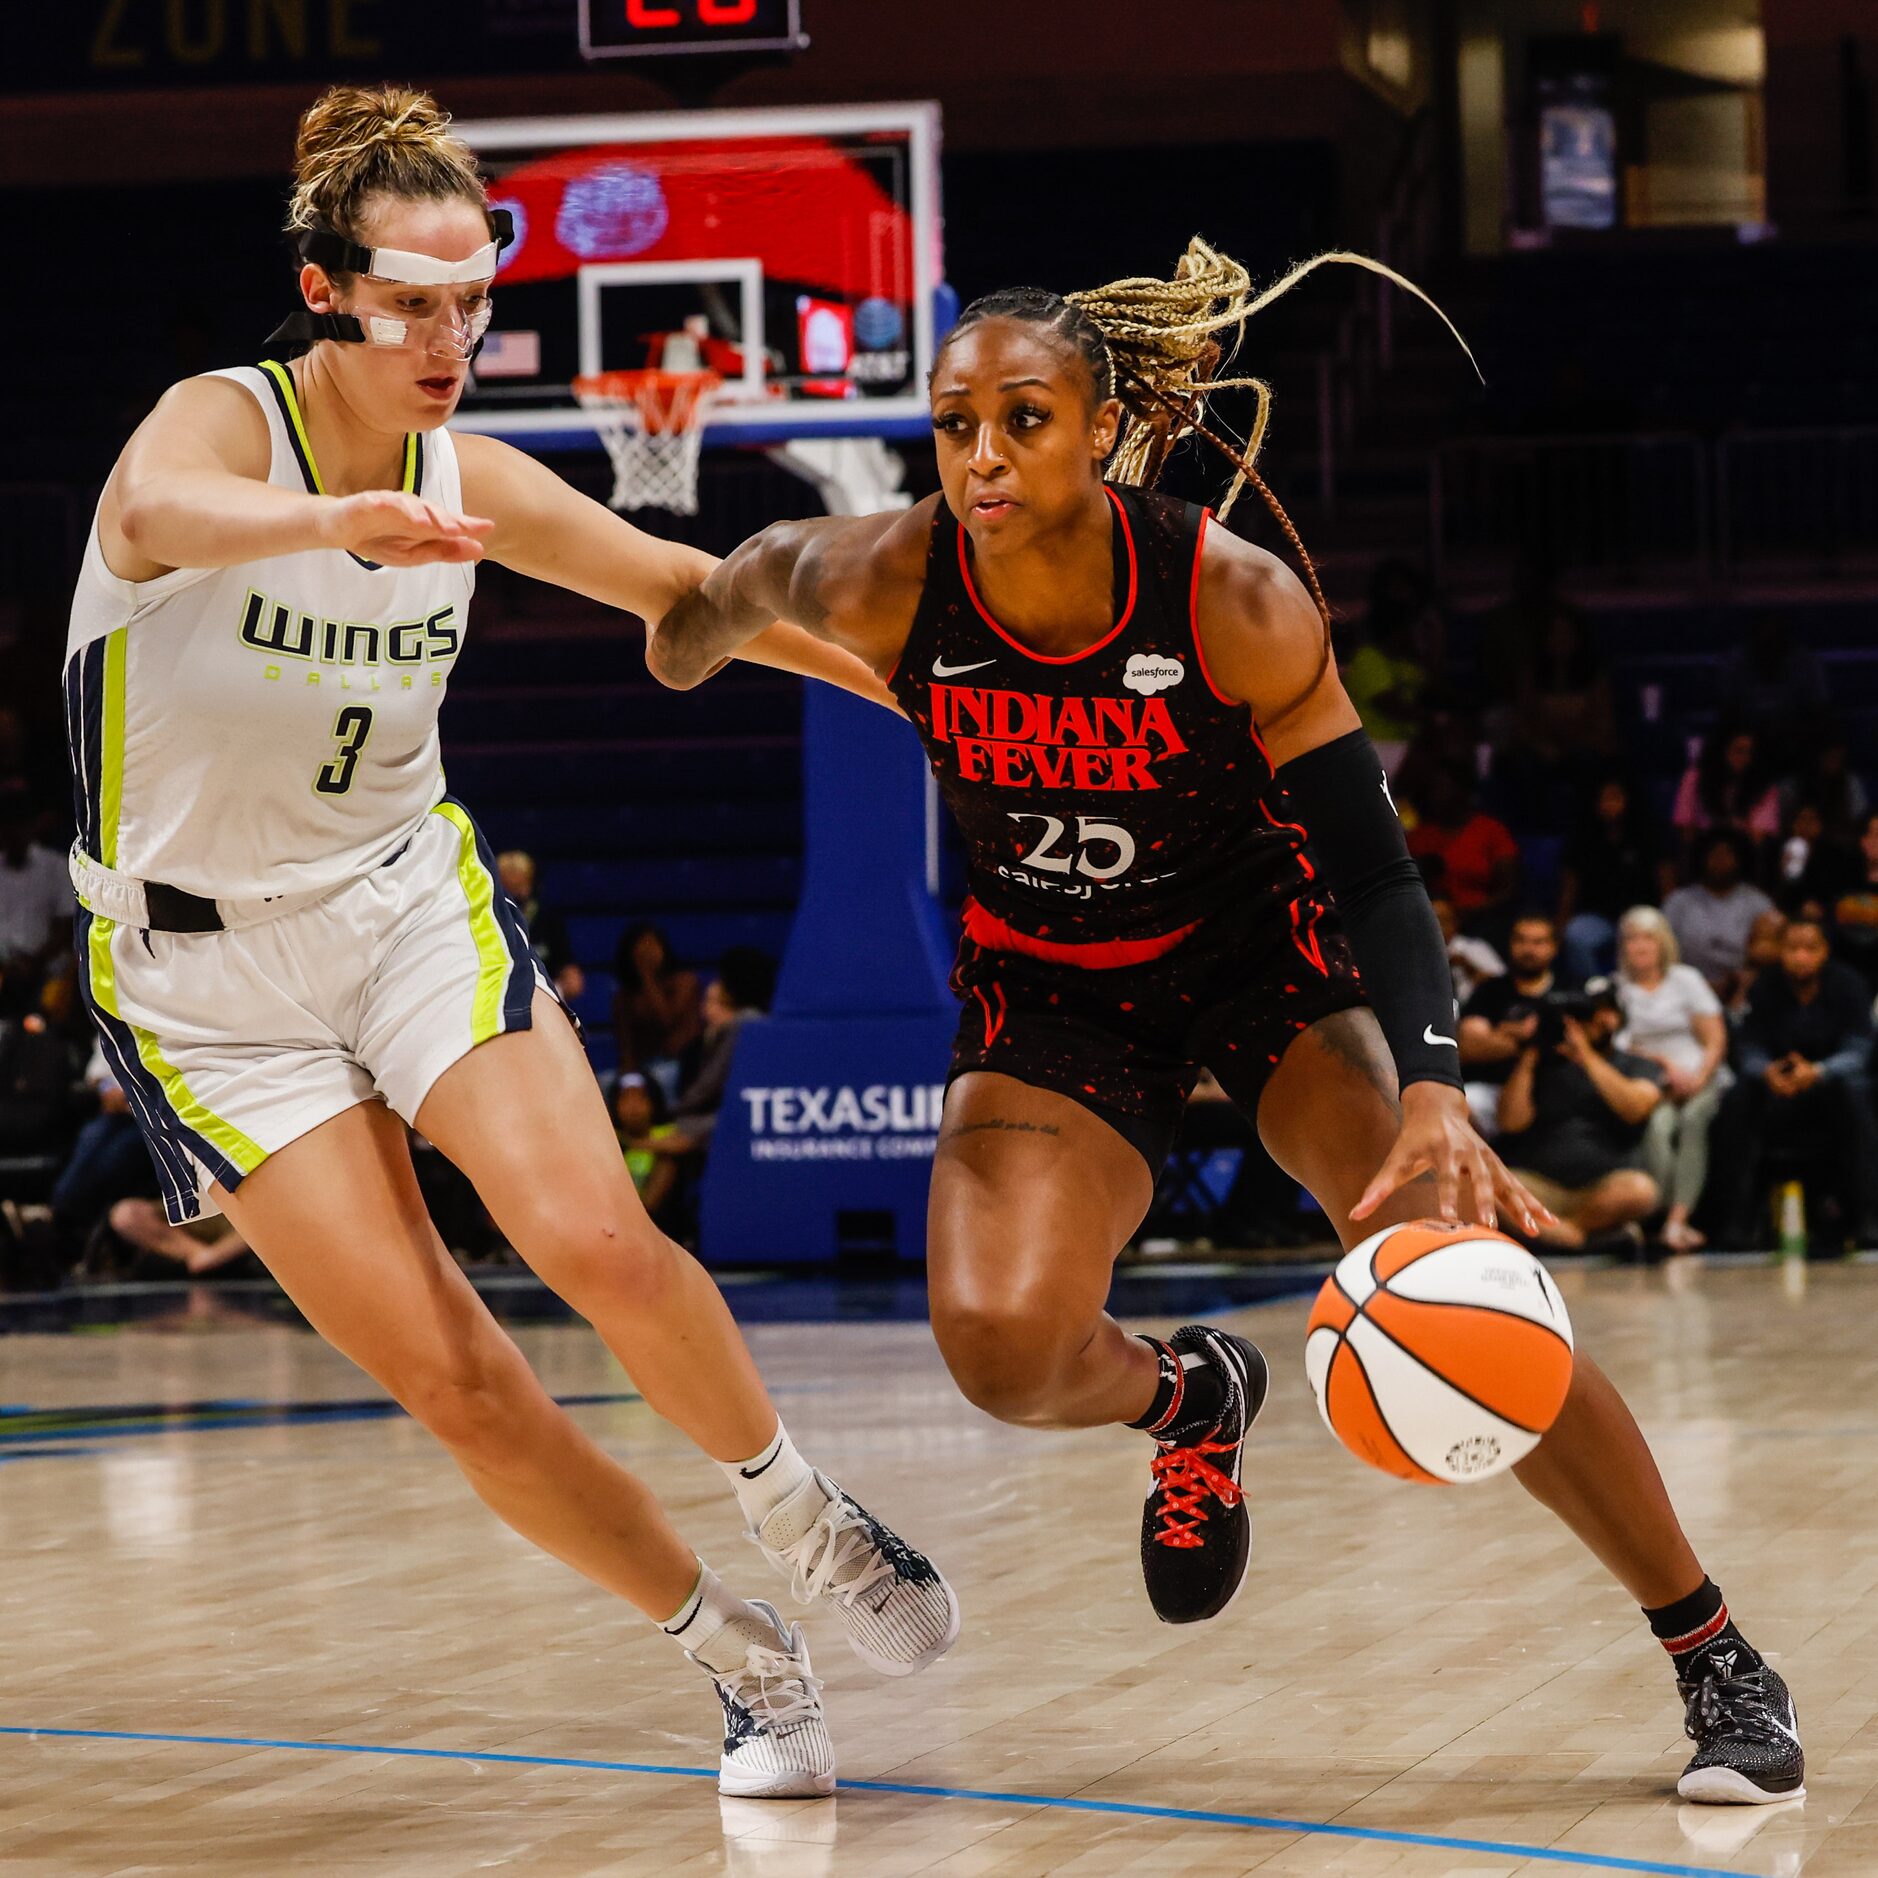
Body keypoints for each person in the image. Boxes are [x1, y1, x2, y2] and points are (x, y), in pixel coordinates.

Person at [644, 239, 1804, 1802]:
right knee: (996, 1347)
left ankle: (1711, 1647)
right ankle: (1189, 1395)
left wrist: (1436, 1089)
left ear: (1105, 422)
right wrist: (688, 625)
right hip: (1050, 982)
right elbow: (749, 573)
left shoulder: (1228, 595)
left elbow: (1383, 878)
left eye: (1023, 419)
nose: (982, 454)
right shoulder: (889, 574)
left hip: (1260, 958)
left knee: (1465, 1291)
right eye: (954, 423)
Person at [60, 83, 957, 1799]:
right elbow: (162, 516)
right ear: (327, 290)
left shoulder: (472, 474)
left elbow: (683, 593)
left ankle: (802, 1508)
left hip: (399, 900)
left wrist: (921, 696)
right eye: (411, 302)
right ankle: (737, 1653)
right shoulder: (216, 426)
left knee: (591, 1239)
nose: (449, 335)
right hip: (194, 983)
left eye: (473, 301)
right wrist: (336, 522)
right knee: (460, 1379)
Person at [1708, 918, 1878, 1252]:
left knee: (1855, 1092)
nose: (1801, 956)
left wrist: (1818, 1071)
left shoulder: (1848, 985)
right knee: (1738, 1096)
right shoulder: (1764, 987)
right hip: (1779, 1093)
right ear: (1780, 952)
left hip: (1832, 1090)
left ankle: (1868, 1218)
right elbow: (1748, 1045)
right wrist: (1766, 1072)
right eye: (1792, 948)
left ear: (1825, 951)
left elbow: (1859, 1048)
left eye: (1809, 948)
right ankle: (1735, 1222)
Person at [1495, 979, 1663, 1248]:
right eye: (1587, 1013)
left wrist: (1584, 1054)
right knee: (1489, 1186)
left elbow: (1636, 1109)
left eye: (1603, 1011)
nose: (1593, 1020)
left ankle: (1555, 1235)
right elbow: (1510, 1123)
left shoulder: (1635, 1064)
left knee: (1641, 1191)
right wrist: (1532, 1052)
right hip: (1539, 1184)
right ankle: (1581, 1239)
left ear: (1618, 1018)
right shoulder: (1540, 1063)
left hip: (1601, 1189)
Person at [1614, 907, 1729, 1254]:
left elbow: (1715, 1038)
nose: (1640, 946)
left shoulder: (1686, 980)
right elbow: (1621, 1047)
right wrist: (1665, 1066)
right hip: (1653, 1081)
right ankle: (1656, 1214)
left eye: (1648, 937)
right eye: (1632, 938)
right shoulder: (1617, 989)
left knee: (1693, 1120)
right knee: (1659, 1129)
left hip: (1701, 1074)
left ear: (1662, 942)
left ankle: (1678, 1221)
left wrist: (1698, 1077)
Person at [1457, 915, 1571, 1139]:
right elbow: (1469, 1046)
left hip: (1552, 1087)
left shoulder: (1570, 991)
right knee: (1460, 1102)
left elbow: (1578, 1045)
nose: (1528, 949)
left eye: (1538, 942)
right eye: (1521, 940)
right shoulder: (1491, 990)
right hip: (1491, 1088)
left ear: (1554, 947)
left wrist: (1501, 1034)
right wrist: (1534, 1040)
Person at [1556, 776, 1673, 981]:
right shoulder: (1583, 838)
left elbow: (1666, 883)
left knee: (1645, 936)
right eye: (1603, 799)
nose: (1609, 804)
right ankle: (1595, 991)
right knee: (1575, 934)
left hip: (1641, 915)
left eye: (1615, 797)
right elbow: (1569, 888)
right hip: (1599, 917)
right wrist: (1561, 922)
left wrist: (1667, 921)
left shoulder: (1649, 835)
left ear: (1629, 801)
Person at [1405, 766, 1520, 941]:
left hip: (1480, 919)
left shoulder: (1491, 830)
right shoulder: (1419, 835)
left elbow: (1508, 890)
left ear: (1463, 791)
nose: (1436, 795)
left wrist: (1471, 911)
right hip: (1429, 919)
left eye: (1443, 788)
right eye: (1433, 789)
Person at [1665, 831, 1777, 1000]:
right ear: (1701, 859)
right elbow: (1663, 952)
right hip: (1684, 991)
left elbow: (1772, 950)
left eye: (1728, 854)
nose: (1721, 861)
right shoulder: (1678, 901)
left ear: (1740, 859)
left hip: (1744, 991)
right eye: (1714, 855)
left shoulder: (1759, 903)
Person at [1671, 724, 1782, 873]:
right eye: (1738, 751)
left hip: (1743, 863)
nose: (1744, 758)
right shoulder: (1694, 778)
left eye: (1749, 752)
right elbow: (1686, 831)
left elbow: (1757, 840)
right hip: (1702, 859)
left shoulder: (1765, 787)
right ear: (1722, 750)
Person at [613, 921, 704, 1093]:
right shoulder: (624, 997)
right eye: (641, 947)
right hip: (642, 1068)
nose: (648, 952)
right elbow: (626, 1049)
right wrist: (629, 1080)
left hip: (680, 1065)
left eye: (653, 944)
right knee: (606, 1084)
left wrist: (647, 976)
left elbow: (666, 1021)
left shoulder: (685, 982)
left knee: (661, 1077)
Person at [496, 849, 583, 1004]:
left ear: (531, 884)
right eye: (508, 891)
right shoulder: (488, 919)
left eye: (520, 888)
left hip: (544, 1001)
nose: (516, 897)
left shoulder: (548, 920)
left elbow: (574, 982)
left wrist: (553, 994)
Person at [1433, 894, 1504, 1007]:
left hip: (1471, 1012)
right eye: (1432, 921)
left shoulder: (1474, 948)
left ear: (1455, 921)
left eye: (1443, 920)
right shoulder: (1414, 953)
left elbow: (1503, 985)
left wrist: (1469, 967)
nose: (1437, 927)